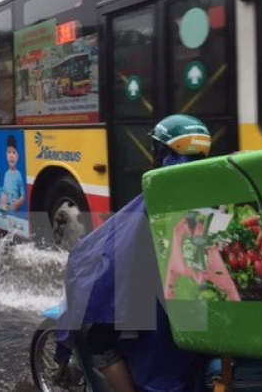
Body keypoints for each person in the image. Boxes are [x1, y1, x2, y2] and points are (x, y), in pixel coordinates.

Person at [57, 114, 212, 392]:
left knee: (99, 338)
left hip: (164, 311)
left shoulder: (160, 190)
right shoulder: (216, 184)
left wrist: (84, 257)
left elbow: (116, 245)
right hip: (208, 305)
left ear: (162, 151)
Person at [0, 135, 25, 212]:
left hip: (14, 210)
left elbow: (23, 195)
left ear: (17, 156)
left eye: (14, 152)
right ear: (6, 155)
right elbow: (4, 190)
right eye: (9, 152)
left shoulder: (18, 175)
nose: (11, 155)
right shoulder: (6, 174)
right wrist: (2, 196)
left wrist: (17, 203)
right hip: (6, 209)